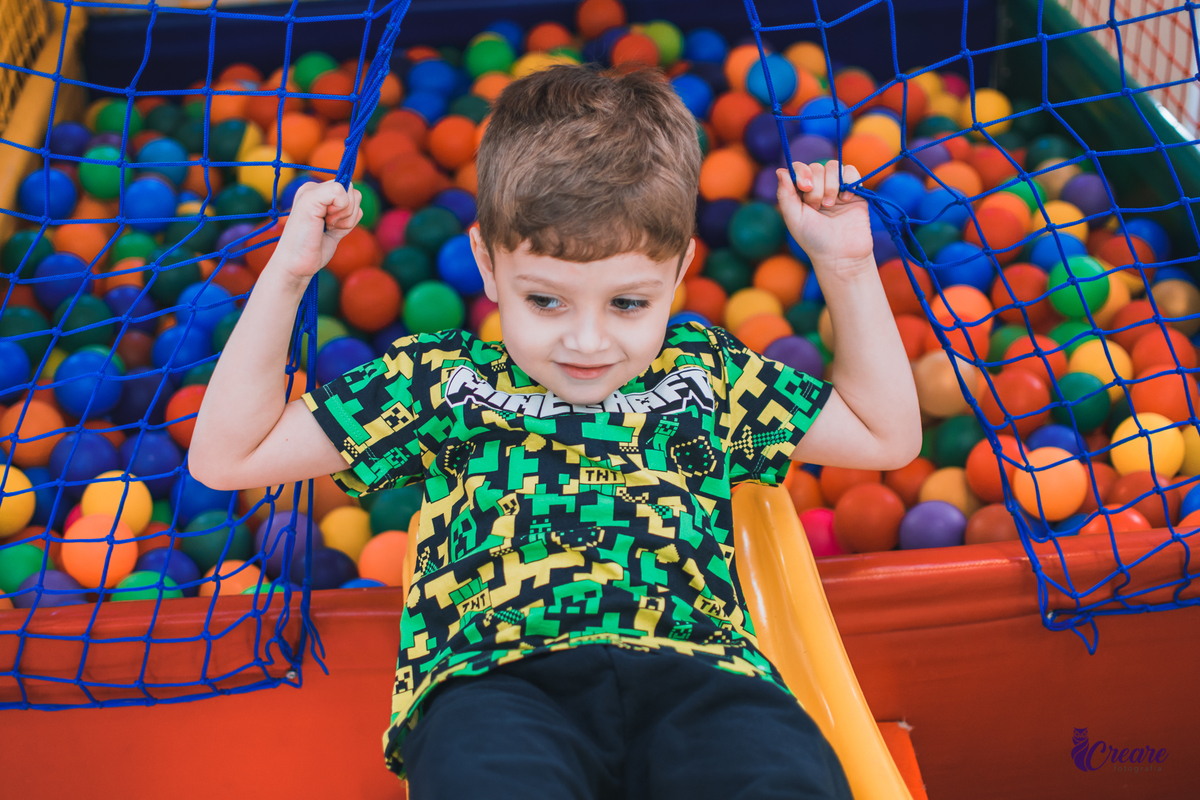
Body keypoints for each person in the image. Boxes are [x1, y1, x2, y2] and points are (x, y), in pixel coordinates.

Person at [190, 65, 920, 799]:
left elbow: (883, 436)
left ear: (680, 273)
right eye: (545, 301)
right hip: (500, 677)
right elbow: (229, 456)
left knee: (778, 775)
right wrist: (288, 273)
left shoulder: (707, 374)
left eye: (629, 304)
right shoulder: (440, 378)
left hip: (698, 673)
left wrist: (847, 264)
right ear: (486, 264)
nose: (588, 340)